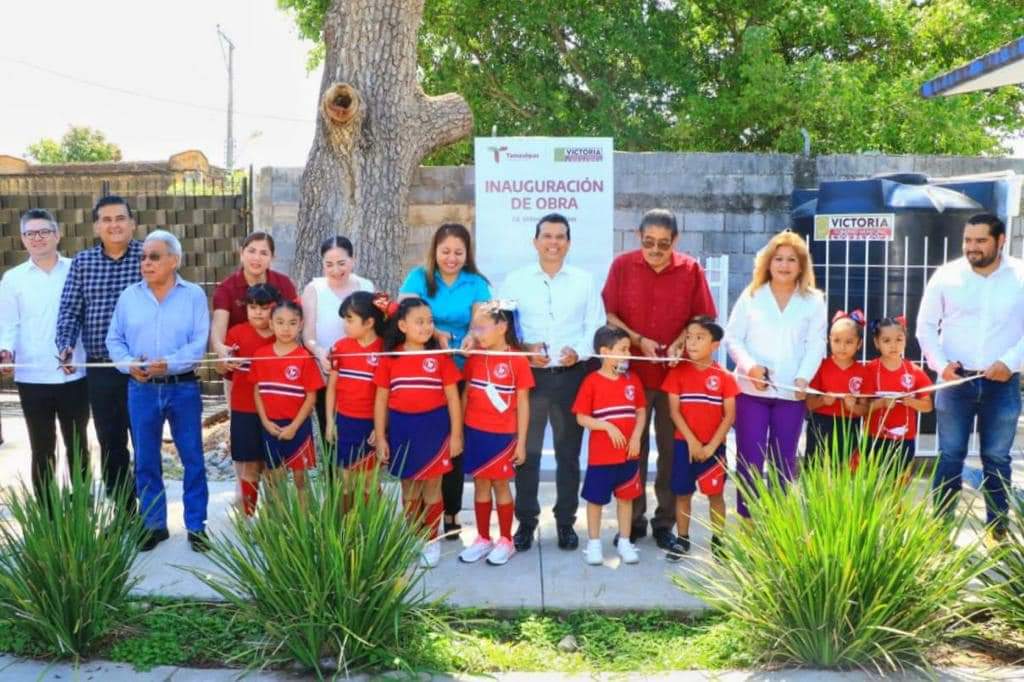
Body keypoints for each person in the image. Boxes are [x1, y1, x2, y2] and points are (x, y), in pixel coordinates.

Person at [602, 208, 717, 549]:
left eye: (663, 245)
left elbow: (704, 316)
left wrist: (683, 338)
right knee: (631, 450)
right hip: (631, 376)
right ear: (639, 237)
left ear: (675, 241)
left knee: (671, 452)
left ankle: (665, 522)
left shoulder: (690, 269)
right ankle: (632, 520)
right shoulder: (622, 266)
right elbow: (609, 314)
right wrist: (638, 339)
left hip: (674, 378)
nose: (655, 250)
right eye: (649, 242)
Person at [499, 213, 605, 553]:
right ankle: (526, 523)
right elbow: (505, 328)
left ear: (569, 243)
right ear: (535, 241)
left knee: (568, 455)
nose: (553, 242)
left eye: (560, 237)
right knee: (526, 455)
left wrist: (582, 351)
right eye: (547, 236)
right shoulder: (515, 281)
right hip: (530, 379)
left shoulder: (584, 281)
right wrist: (525, 349)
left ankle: (565, 523)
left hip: (571, 378)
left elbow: (596, 325)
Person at [917, 213, 1024, 545]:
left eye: (980, 241)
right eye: (968, 240)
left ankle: (997, 532)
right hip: (955, 383)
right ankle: (940, 531)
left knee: (996, 457)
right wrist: (941, 364)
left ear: (1000, 240)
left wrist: (1010, 362)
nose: (972, 247)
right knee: (950, 455)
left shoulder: (1020, 276)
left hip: (1002, 384)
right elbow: (925, 328)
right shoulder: (946, 276)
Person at [106, 230, 210, 552]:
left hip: (183, 389)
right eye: (143, 257)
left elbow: (199, 342)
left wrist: (172, 363)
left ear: (174, 261)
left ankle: (197, 527)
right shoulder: (129, 296)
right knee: (146, 460)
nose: (146, 263)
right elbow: (115, 340)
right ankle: (153, 525)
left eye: (155, 256)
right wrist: (127, 364)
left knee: (193, 458)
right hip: (141, 391)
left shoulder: (193, 295)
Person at [724, 230, 827, 518]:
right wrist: (750, 367)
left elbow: (816, 343)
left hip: (791, 394)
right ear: (768, 263)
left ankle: (779, 527)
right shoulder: (752, 295)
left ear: (801, 265)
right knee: (750, 461)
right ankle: (748, 526)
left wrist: (804, 377)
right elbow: (733, 338)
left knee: (784, 463)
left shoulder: (814, 300)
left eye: (791, 259)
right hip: (750, 393)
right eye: (778, 258)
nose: (784, 265)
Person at [400, 223, 492, 538]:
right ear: (434, 251)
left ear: (467, 254)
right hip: (420, 374)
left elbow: (481, 323)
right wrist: (433, 332)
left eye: (458, 252)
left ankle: (451, 514)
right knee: (422, 443)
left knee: (454, 443)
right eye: (445, 251)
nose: (451, 258)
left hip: (462, 372)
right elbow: (405, 313)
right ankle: (416, 521)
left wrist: (471, 336)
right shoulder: (418, 278)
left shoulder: (477, 283)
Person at [56, 195, 143, 515]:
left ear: (133, 223)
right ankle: (124, 512)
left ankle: (151, 513)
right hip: (101, 367)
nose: (114, 225)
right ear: (96, 226)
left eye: (120, 218)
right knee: (110, 441)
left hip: (142, 367)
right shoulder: (82, 262)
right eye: (106, 220)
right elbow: (69, 310)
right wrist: (65, 345)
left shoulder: (149, 256)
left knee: (145, 443)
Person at [0, 209, 89, 494]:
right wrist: (5, 352)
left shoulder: (77, 270)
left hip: (74, 374)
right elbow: (8, 323)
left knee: (78, 444)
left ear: (57, 234)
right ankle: (46, 513)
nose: (37, 238)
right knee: (41, 447)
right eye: (30, 233)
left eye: (44, 232)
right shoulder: (13, 279)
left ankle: (82, 505)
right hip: (32, 375)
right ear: (23, 239)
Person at [373, 298, 463, 568]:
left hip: (434, 430)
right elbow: (381, 401)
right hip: (402, 429)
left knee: (432, 487)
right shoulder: (391, 359)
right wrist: (380, 436)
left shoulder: (439, 359)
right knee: (409, 486)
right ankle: (413, 537)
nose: (426, 327)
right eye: (419, 321)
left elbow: (453, 399)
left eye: (430, 321)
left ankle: (431, 540)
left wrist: (456, 435)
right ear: (402, 325)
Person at [210, 232, 298, 494]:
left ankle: (276, 515)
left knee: (275, 452)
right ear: (241, 252)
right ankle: (244, 506)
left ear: (272, 257)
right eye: (252, 250)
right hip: (241, 379)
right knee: (246, 449)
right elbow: (218, 328)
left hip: (278, 379)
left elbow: (293, 322)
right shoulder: (228, 287)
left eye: (264, 252)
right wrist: (221, 350)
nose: (256, 257)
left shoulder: (283, 284)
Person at [457, 302, 533, 566]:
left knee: (500, 484)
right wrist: (461, 431)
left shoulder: (517, 360)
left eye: (482, 327)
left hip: (502, 435)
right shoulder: (475, 356)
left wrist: (521, 442)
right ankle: (482, 538)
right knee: (480, 484)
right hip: (475, 432)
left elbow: (523, 403)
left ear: (502, 327)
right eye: (474, 327)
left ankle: (505, 540)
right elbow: (467, 392)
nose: (476, 333)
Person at [661, 316, 738, 561]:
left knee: (715, 495)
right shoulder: (677, 373)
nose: (692, 343)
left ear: (715, 345)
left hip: (714, 449)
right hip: (685, 445)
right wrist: (693, 442)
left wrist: (712, 445)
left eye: (699, 338)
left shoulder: (725, 377)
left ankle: (718, 540)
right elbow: (674, 411)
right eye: (689, 337)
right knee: (683, 494)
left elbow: (729, 416)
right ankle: (682, 539)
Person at [572, 326, 646, 566]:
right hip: (602, 456)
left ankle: (624, 541)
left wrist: (636, 436)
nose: (628, 354)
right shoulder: (591, 381)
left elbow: (641, 411)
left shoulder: (633, 380)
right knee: (595, 500)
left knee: (626, 499)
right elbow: (581, 417)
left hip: (629, 455)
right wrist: (606, 426)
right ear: (604, 352)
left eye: (629, 349)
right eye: (623, 349)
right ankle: (594, 544)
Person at [217, 283, 280, 516]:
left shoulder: (281, 334)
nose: (258, 312)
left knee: (274, 468)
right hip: (244, 409)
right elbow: (221, 368)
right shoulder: (236, 333)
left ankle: (275, 522)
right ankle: (247, 519)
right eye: (253, 307)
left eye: (264, 307)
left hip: (276, 411)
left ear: (274, 307)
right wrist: (224, 361)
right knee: (249, 467)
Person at [302, 236, 375, 437]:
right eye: (329, 264)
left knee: (363, 433)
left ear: (353, 260)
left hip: (364, 374)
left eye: (342, 263)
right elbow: (308, 334)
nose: (336, 270)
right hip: (327, 371)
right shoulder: (313, 289)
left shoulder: (366, 286)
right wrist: (319, 352)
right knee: (331, 432)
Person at [251, 301, 323, 495]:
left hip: (298, 427)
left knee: (301, 480)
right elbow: (257, 392)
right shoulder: (261, 356)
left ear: (300, 325)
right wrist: (265, 422)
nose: (286, 328)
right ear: (271, 324)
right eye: (280, 322)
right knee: (274, 479)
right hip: (271, 427)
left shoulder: (305, 358)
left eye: (292, 323)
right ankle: (278, 522)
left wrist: (293, 427)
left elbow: (311, 398)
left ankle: (303, 523)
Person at [324, 291, 386, 474]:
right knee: (345, 479)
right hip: (344, 421)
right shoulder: (340, 347)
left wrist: (381, 427)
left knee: (369, 483)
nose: (345, 325)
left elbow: (387, 396)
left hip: (371, 423)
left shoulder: (384, 350)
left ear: (369, 323)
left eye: (350, 320)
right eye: (344, 319)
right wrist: (329, 421)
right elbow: (332, 387)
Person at [863, 316, 933, 477]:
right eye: (886, 340)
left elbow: (928, 406)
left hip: (905, 439)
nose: (893, 345)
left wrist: (911, 401)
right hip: (875, 437)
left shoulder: (914, 371)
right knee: (875, 482)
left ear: (905, 341)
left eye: (899, 340)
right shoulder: (869, 370)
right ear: (876, 343)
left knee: (900, 483)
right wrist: (881, 403)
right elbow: (861, 408)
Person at [804, 310, 868, 461]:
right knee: (816, 466)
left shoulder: (864, 372)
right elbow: (808, 403)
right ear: (829, 340)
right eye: (837, 341)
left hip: (849, 426)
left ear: (859, 343)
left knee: (844, 470)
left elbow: (865, 409)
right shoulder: (819, 366)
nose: (842, 347)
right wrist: (822, 401)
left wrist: (853, 407)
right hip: (819, 423)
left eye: (849, 342)